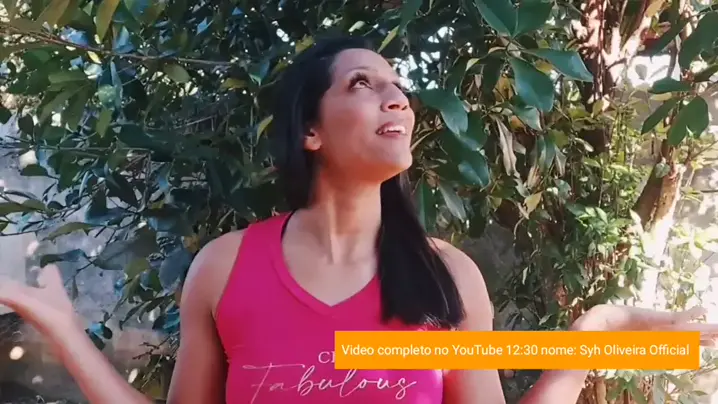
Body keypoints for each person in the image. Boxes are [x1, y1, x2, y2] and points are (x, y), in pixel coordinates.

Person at [0, 36, 717, 404]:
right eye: (363, 84)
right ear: (310, 131)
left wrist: (595, 335)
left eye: (399, 87)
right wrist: (64, 332)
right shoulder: (225, 266)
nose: (397, 99)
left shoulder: (445, 277)